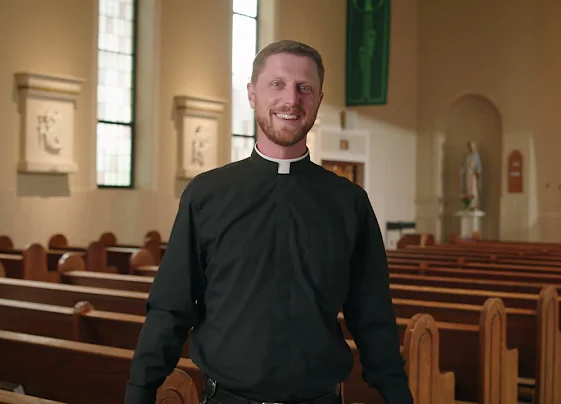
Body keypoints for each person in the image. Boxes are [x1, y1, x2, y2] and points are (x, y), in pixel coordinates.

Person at [124, 39, 412, 404]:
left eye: (304, 88)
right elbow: (170, 308)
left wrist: (398, 396)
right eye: (277, 84)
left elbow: (373, 316)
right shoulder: (207, 194)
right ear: (251, 94)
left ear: (319, 99)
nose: (291, 100)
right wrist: (139, 392)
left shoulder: (349, 203)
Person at [460, 141, 482, 210]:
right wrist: (461, 172)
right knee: (468, 189)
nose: (470, 148)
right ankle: (468, 204)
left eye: (472, 147)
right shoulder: (468, 157)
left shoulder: (476, 156)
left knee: (473, 189)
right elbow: (464, 166)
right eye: (469, 147)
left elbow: (478, 165)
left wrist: (478, 171)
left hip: (473, 175)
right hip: (467, 175)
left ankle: (474, 204)